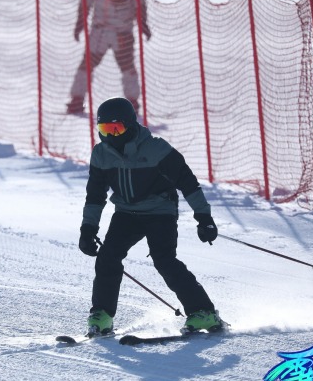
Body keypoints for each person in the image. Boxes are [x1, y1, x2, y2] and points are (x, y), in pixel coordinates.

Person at [78, 97, 223, 336]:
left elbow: (189, 184)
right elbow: (95, 195)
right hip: (126, 213)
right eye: (105, 130)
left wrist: (204, 217)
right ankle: (102, 314)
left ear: (130, 125)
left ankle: (203, 312)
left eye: (117, 129)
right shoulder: (101, 154)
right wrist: (88, 229)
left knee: (164, 259)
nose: (111, 136)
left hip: (160, 211)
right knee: (107, 257)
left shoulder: (156, 148)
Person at [66, 0, 151, 115]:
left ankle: (132, 102)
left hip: (121, 33)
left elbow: (140, 5)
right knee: (88, 65)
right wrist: (79, 24)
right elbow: (85, 4)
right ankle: (77, 100)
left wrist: (144, 25)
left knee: (126, 67)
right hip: (101, 32)